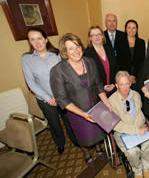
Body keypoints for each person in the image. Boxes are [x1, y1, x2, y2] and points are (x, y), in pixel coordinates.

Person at [50, 33, 113, 166]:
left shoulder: (90, 62)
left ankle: (98, 148)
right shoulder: (58, 70)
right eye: (70, 48)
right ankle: (86, 153)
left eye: (77, 46)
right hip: (77, 110)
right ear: (65, 52)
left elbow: (98, 85)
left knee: (98, 131)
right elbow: (61, 98)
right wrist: (83, 114)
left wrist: (106, 102)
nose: (76, 51)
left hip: (96, 105)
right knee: (83, 135)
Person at [22, 27, 77, 155]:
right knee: (54, 124)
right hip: (46, 100)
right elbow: (31, 83)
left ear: (46, 39)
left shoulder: (57, 54)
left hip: (63, 96)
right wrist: (48, 98)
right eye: (32, 40)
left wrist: (62, 95)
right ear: (30, 42)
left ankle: (74, 139)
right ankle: (60, 144)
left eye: (39, 38)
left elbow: (66, 75)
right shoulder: (26, 59)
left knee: (69, 121)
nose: (37, 42)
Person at [109, 71, 149, 178]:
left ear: (130, 83)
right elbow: (115, 124)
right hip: (122, 132)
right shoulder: (111, 101)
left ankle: (146, 167)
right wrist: (135, 130)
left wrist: (141, 127)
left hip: (139, 127)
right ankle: (138, 170)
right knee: (132, 151)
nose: (125, 87)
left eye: (127, 83)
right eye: (121, 84)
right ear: (116, 85)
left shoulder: (136, 94)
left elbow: (140, 113)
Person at [84, 26, 118, 96]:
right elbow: (88, 76)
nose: (97, 37)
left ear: (102, 36)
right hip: (97, 92)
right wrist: (102, 87)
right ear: (90, 38)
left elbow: (116, 68)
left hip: (113, 89)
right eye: (93, 35)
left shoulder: (110, 50)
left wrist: (114, 83)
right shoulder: (86, 53)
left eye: (99, 34)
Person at [117, 19, 145, 90]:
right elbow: (119, 61)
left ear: (136, 29)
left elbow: (142, 61)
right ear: (126, 29)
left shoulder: (141, 42)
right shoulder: (120, 42)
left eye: (134, 28)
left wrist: (134, 76)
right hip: (124, 76)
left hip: (138, 76)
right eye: (129, 27)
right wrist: (128, 76)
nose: (131, 30)